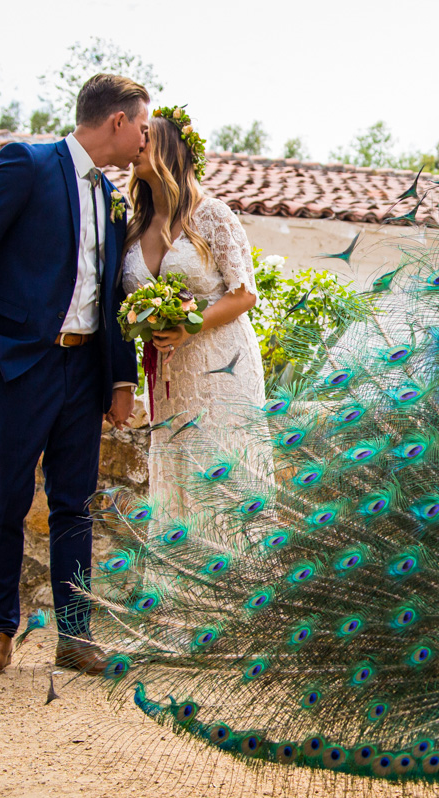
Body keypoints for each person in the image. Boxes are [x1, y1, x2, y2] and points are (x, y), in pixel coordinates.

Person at [0, 74, 146, 677]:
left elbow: (111, 298)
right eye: (140, 123)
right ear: (116, 121)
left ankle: (74, 635)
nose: (143, 137)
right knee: (6, 497)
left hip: (84, 370)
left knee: (74, 505)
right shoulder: (26, 165)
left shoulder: (114, 201)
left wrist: (118, 378)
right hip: (20, 366)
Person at [122, 106, 264, 507]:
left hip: (222, 366)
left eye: (146, 135)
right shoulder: (134, 227)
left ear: (171, 150)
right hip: (168, 376)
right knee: (177, 486)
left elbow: (245, 294)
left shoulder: (213, 215)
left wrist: (190, 326)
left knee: (222, 481)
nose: (137, 142)